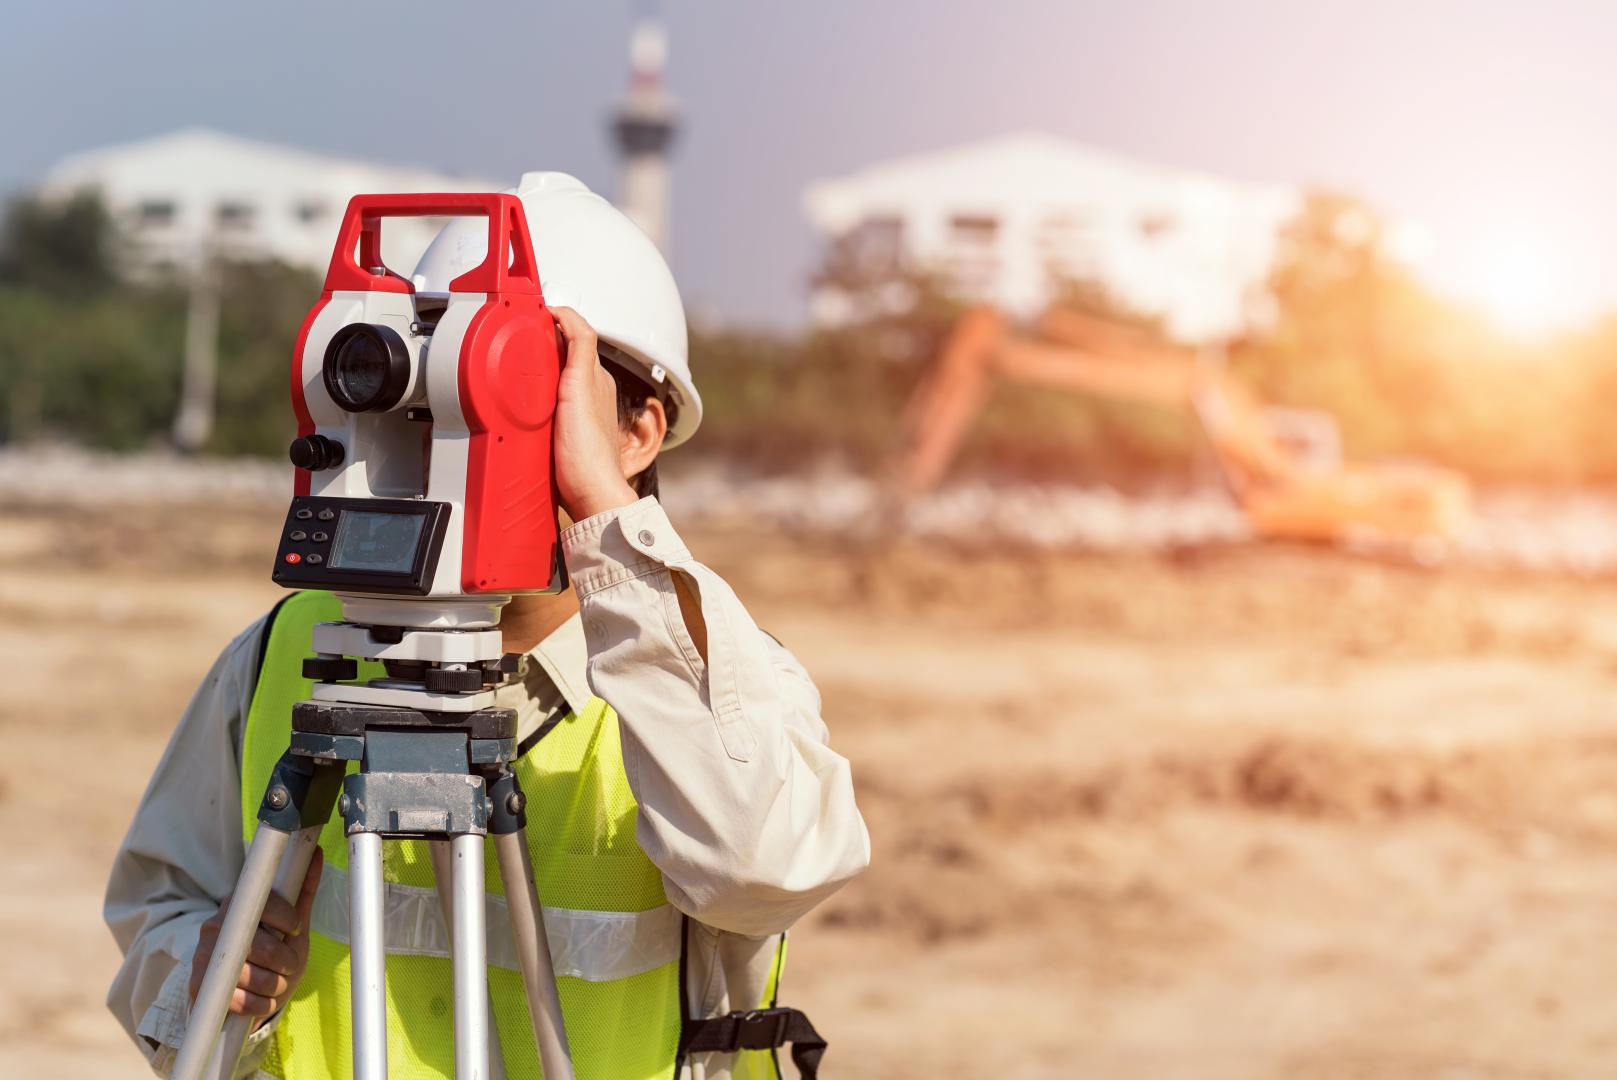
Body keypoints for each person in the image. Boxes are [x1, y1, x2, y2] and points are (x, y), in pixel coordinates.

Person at [105, 172, 871, 1079]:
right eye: (432, 396)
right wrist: (205, 974)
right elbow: (161, 904)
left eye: (516, 391)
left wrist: (600, 515)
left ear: (638, 430)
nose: (456, 436)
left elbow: (761, 871)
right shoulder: (289, 653)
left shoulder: (711, 672)